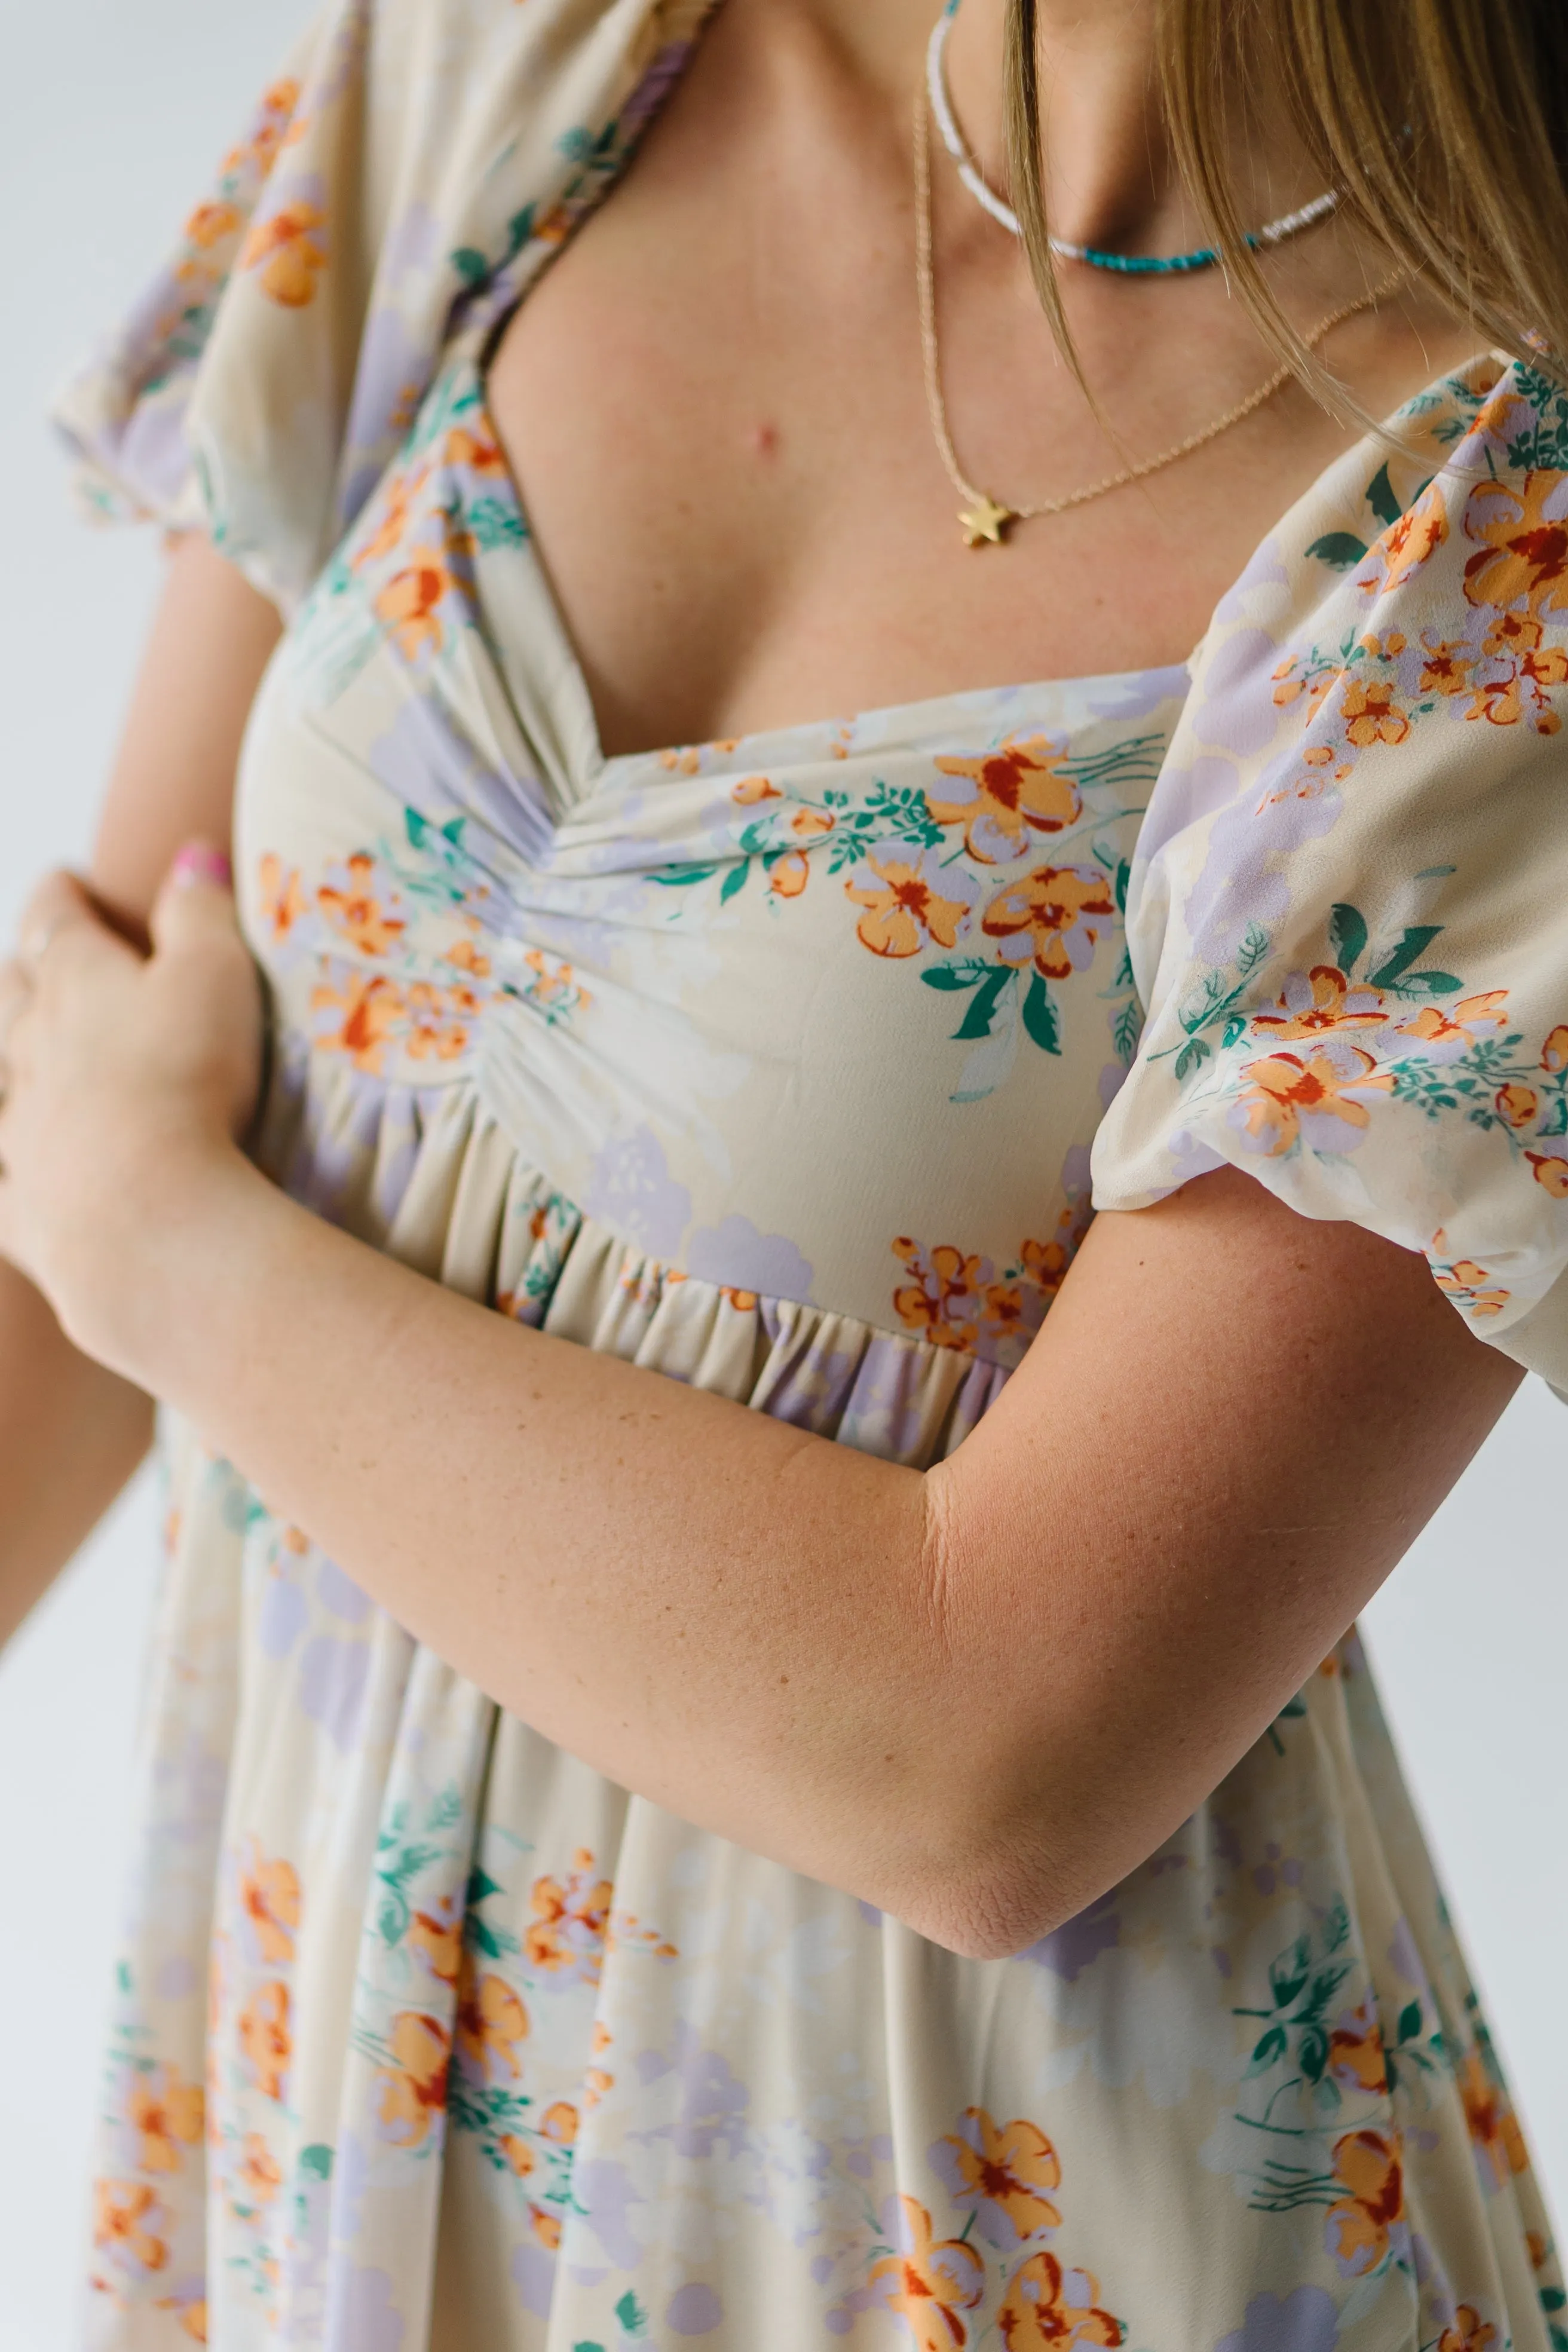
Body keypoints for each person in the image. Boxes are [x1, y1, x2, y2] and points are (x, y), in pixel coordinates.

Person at [1, 0, 1563, 2340]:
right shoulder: (519, 72)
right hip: (313, 2134)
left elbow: (994, 1747)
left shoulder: (1491, 517)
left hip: (954, 2244)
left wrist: (175, 1259)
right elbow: (73, 1152)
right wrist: (111, 1232)